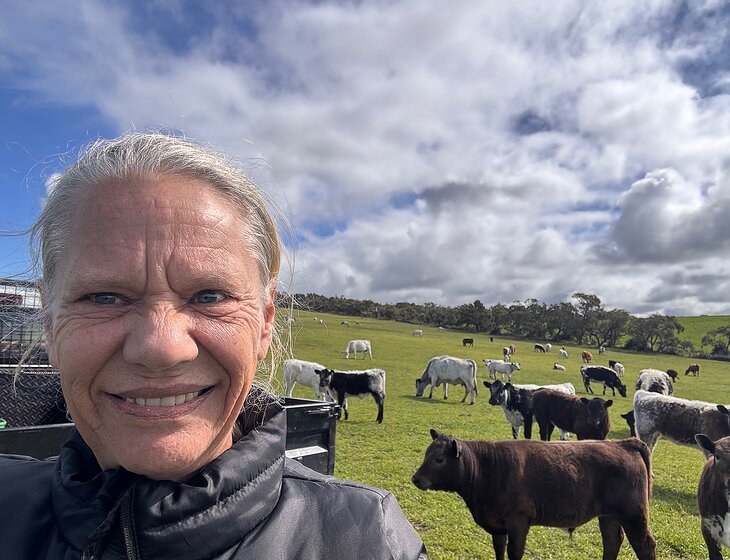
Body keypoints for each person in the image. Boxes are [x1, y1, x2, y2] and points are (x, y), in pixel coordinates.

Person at [0, 133, 427, 559]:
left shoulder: (369, 540)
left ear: (264, 321)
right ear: (50, 324)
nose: (161, 348)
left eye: (210, 296)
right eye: (104, 297)